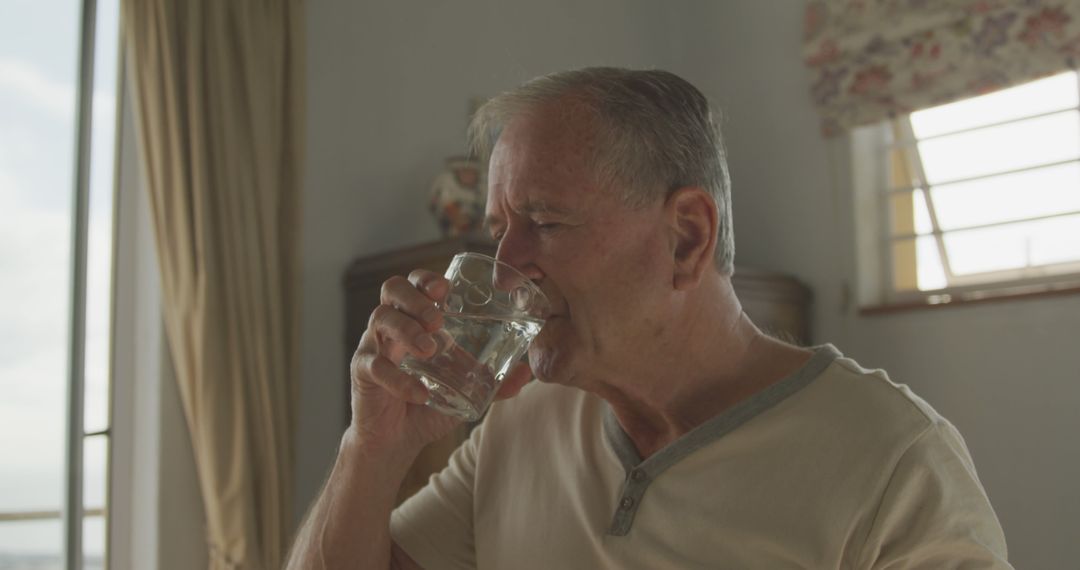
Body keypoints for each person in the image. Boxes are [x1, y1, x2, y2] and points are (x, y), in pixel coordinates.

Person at [286, 68, 1011, 569]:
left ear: (687, 237)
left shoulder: (897, 461)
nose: (506, 267)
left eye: (543, 221)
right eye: (499, 228)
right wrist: (372, 447)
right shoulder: (517, 426)